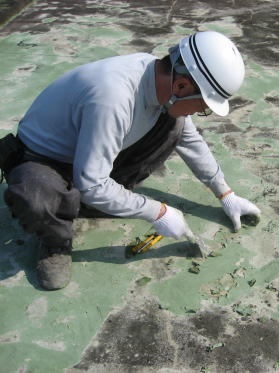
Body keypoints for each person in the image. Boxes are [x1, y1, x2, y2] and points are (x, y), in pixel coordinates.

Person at [0, 31, 261, 290]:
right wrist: (157, 211)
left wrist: (225, 193)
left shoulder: (160, 79)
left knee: (175, 126)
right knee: (36, 196)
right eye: (203, 107)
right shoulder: (113, 98)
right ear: (182, 86)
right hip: (46, 160)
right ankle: (55, 241)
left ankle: (103, 198)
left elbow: (190, 140)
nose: (200, 112)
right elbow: (90, 183)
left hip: (90, 151)